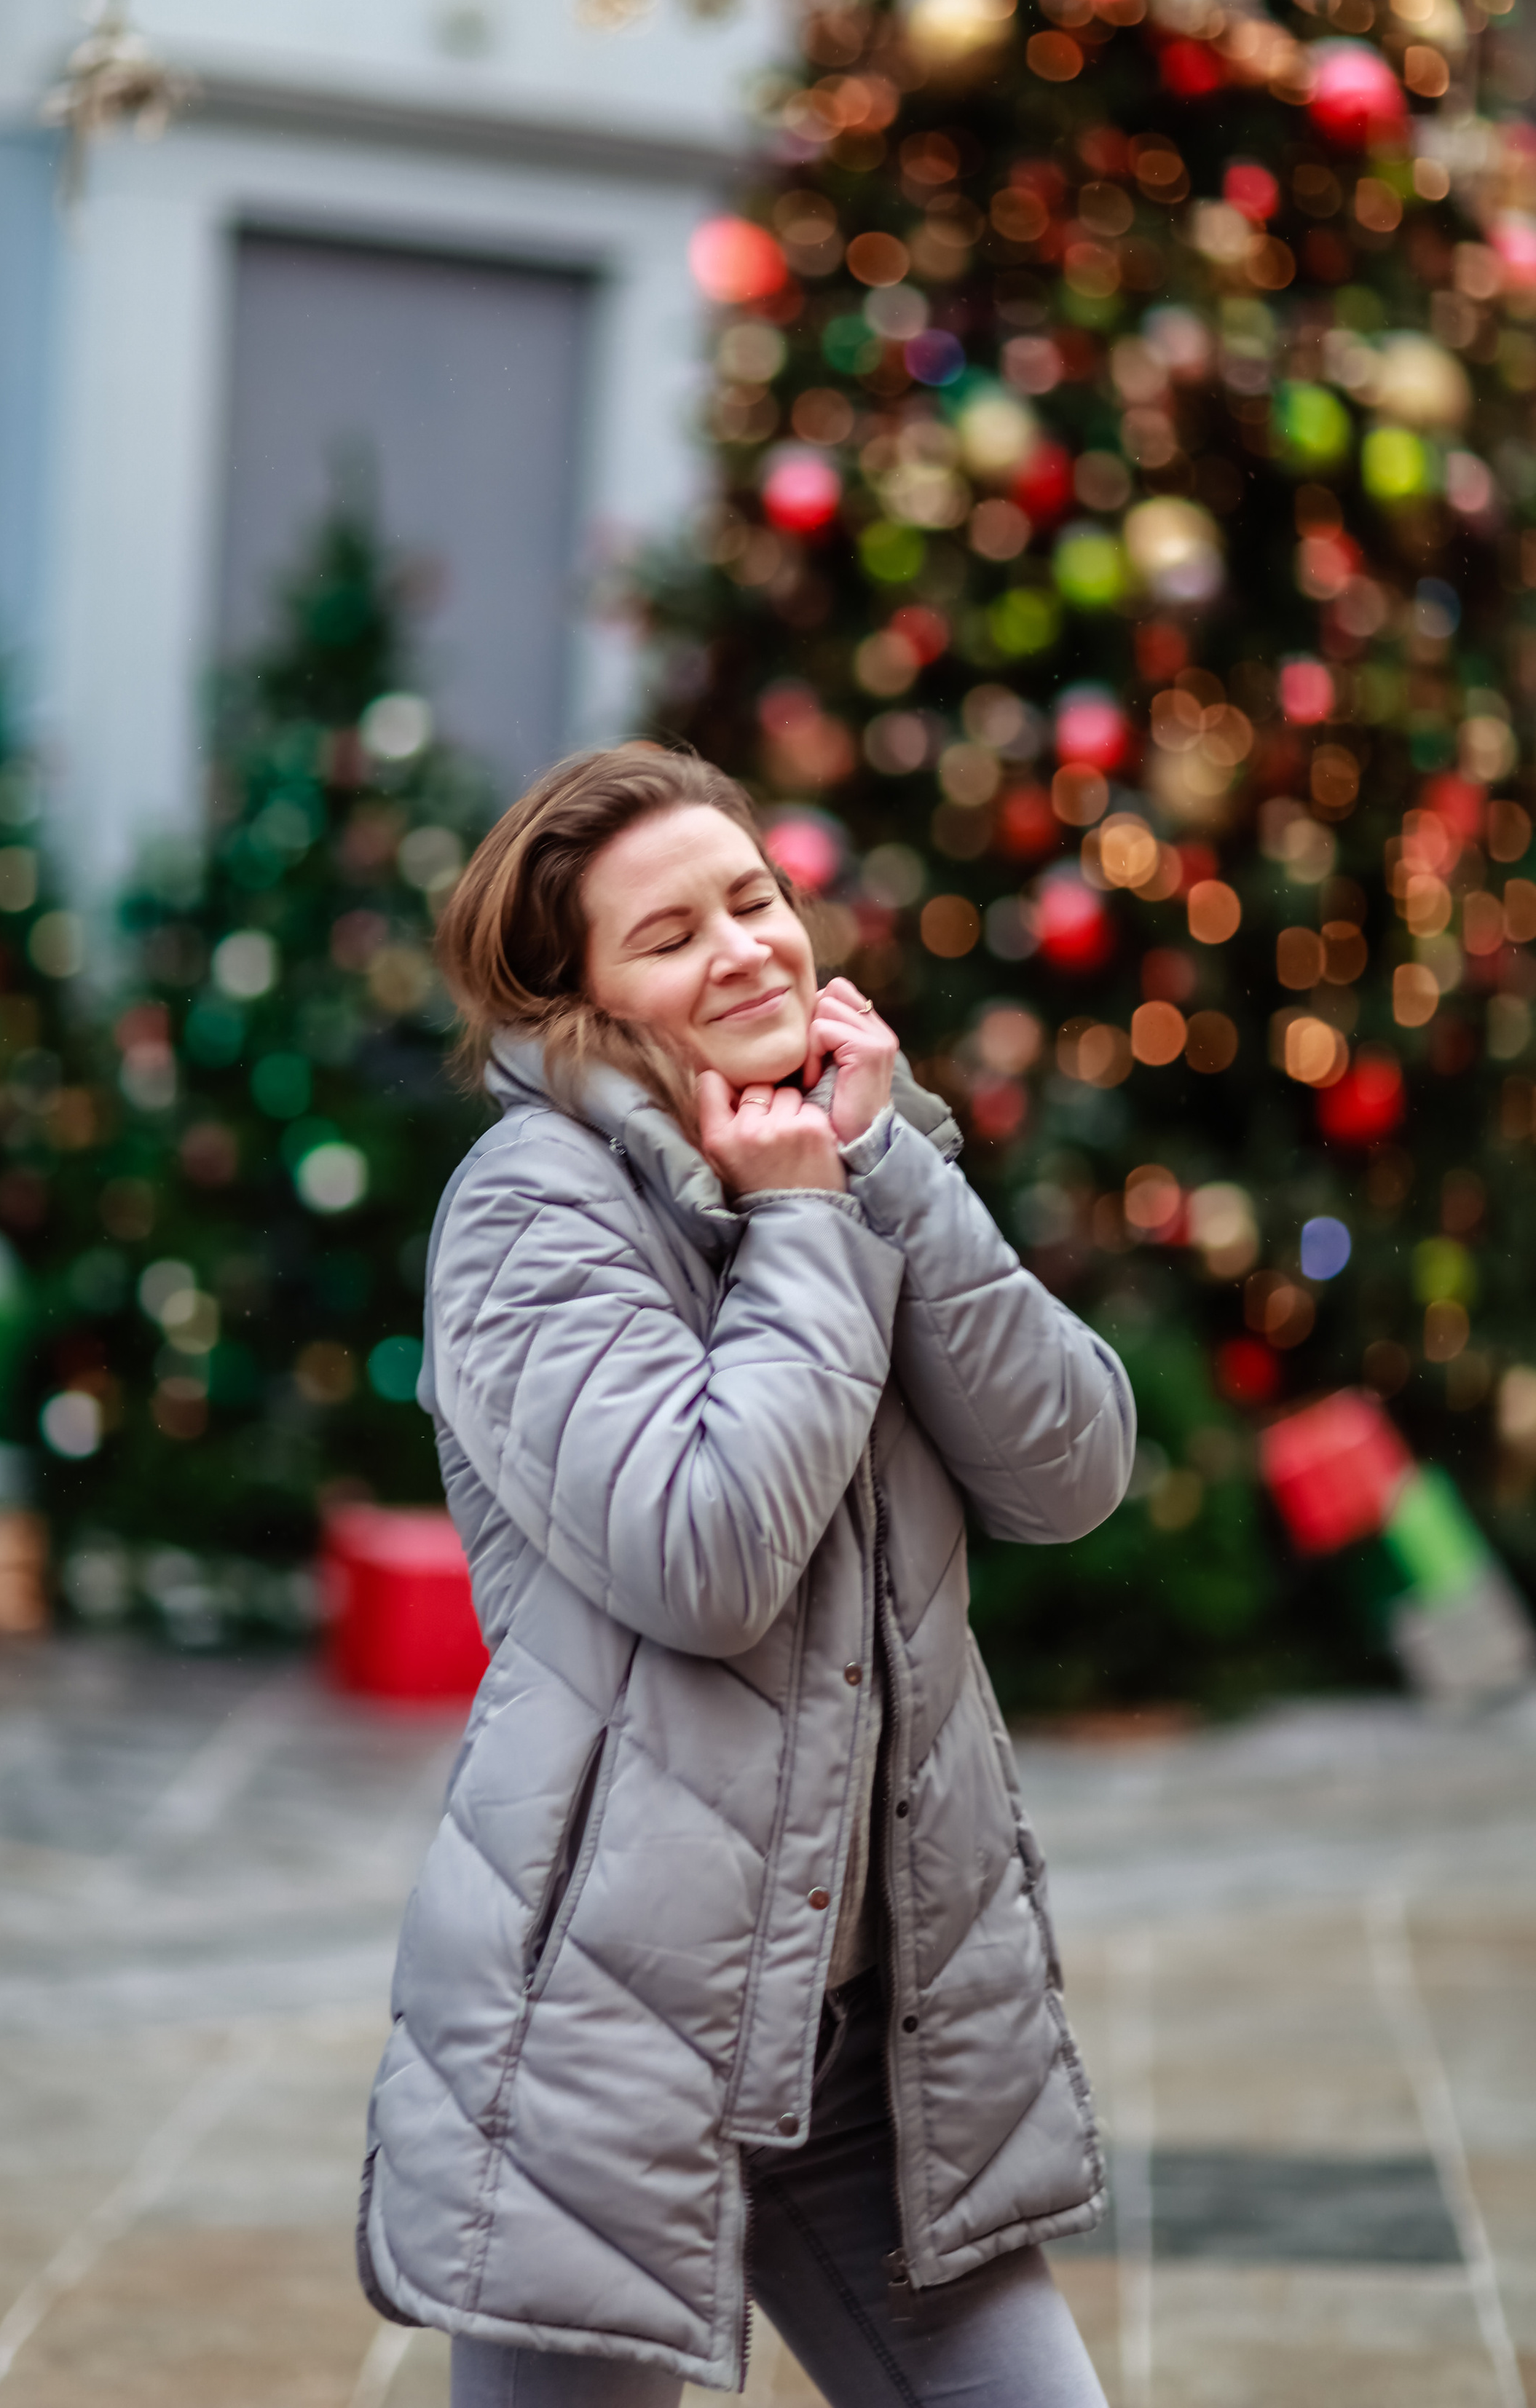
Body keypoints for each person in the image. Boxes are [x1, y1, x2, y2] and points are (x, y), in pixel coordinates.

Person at [358, 744, 1134, 2405]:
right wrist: (803, 1228)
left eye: (754, 898)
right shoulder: (530, 1210)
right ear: (579, 1001)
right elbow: (706, 1558)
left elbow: (1069, 1471)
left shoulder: (850, 1163)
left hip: (866, 2039)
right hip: (615, 2034)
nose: (744, 950)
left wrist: (889, 1170)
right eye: (669, 935)